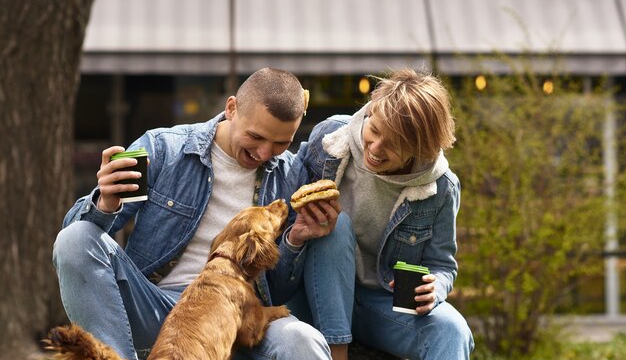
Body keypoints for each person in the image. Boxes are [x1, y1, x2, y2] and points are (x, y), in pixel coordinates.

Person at [53, 68, 340, 360]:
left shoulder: (290, 175)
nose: (265, 152)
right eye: (256, 136)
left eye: (281, 143)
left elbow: (277, 290)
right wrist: (105, 204)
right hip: (159, 308)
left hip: (240, 314)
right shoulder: (164, 147)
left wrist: (295, 240)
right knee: (75, 239)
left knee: (304, 341)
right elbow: (75, 242)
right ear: (231, 109)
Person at [289, 68, 474, 359]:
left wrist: (436, 287)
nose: (374, 148)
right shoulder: (328, 138)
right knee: (335, 225)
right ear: (370, 110)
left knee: (453, 330)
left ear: (419, 148)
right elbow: (285, 221)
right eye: (374, 131)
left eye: (393, 145)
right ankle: (337, 351)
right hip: (315, 294)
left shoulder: (441, 187)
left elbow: (443, 265)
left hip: (381, 303)